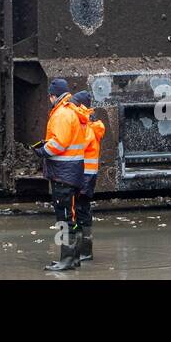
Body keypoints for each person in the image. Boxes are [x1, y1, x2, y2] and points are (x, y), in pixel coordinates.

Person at [35, 78, 89, 271]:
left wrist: (42, 150)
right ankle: (73, 258)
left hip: (62, 175)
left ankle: (66, 260)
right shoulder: (72, 112)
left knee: (65, 218)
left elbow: (59, 143)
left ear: (53, 96)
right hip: (71, 173)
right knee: (71, 217)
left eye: (49, 96)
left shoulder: (61, 114)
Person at [70, 90, 105, 262]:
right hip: (88, 176)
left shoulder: (87, 129)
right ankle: (84, 249)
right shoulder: (92, 128)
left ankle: (84, 250)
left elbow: (78, 146)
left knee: (80, 212)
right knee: (83, 211)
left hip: (83, 177)